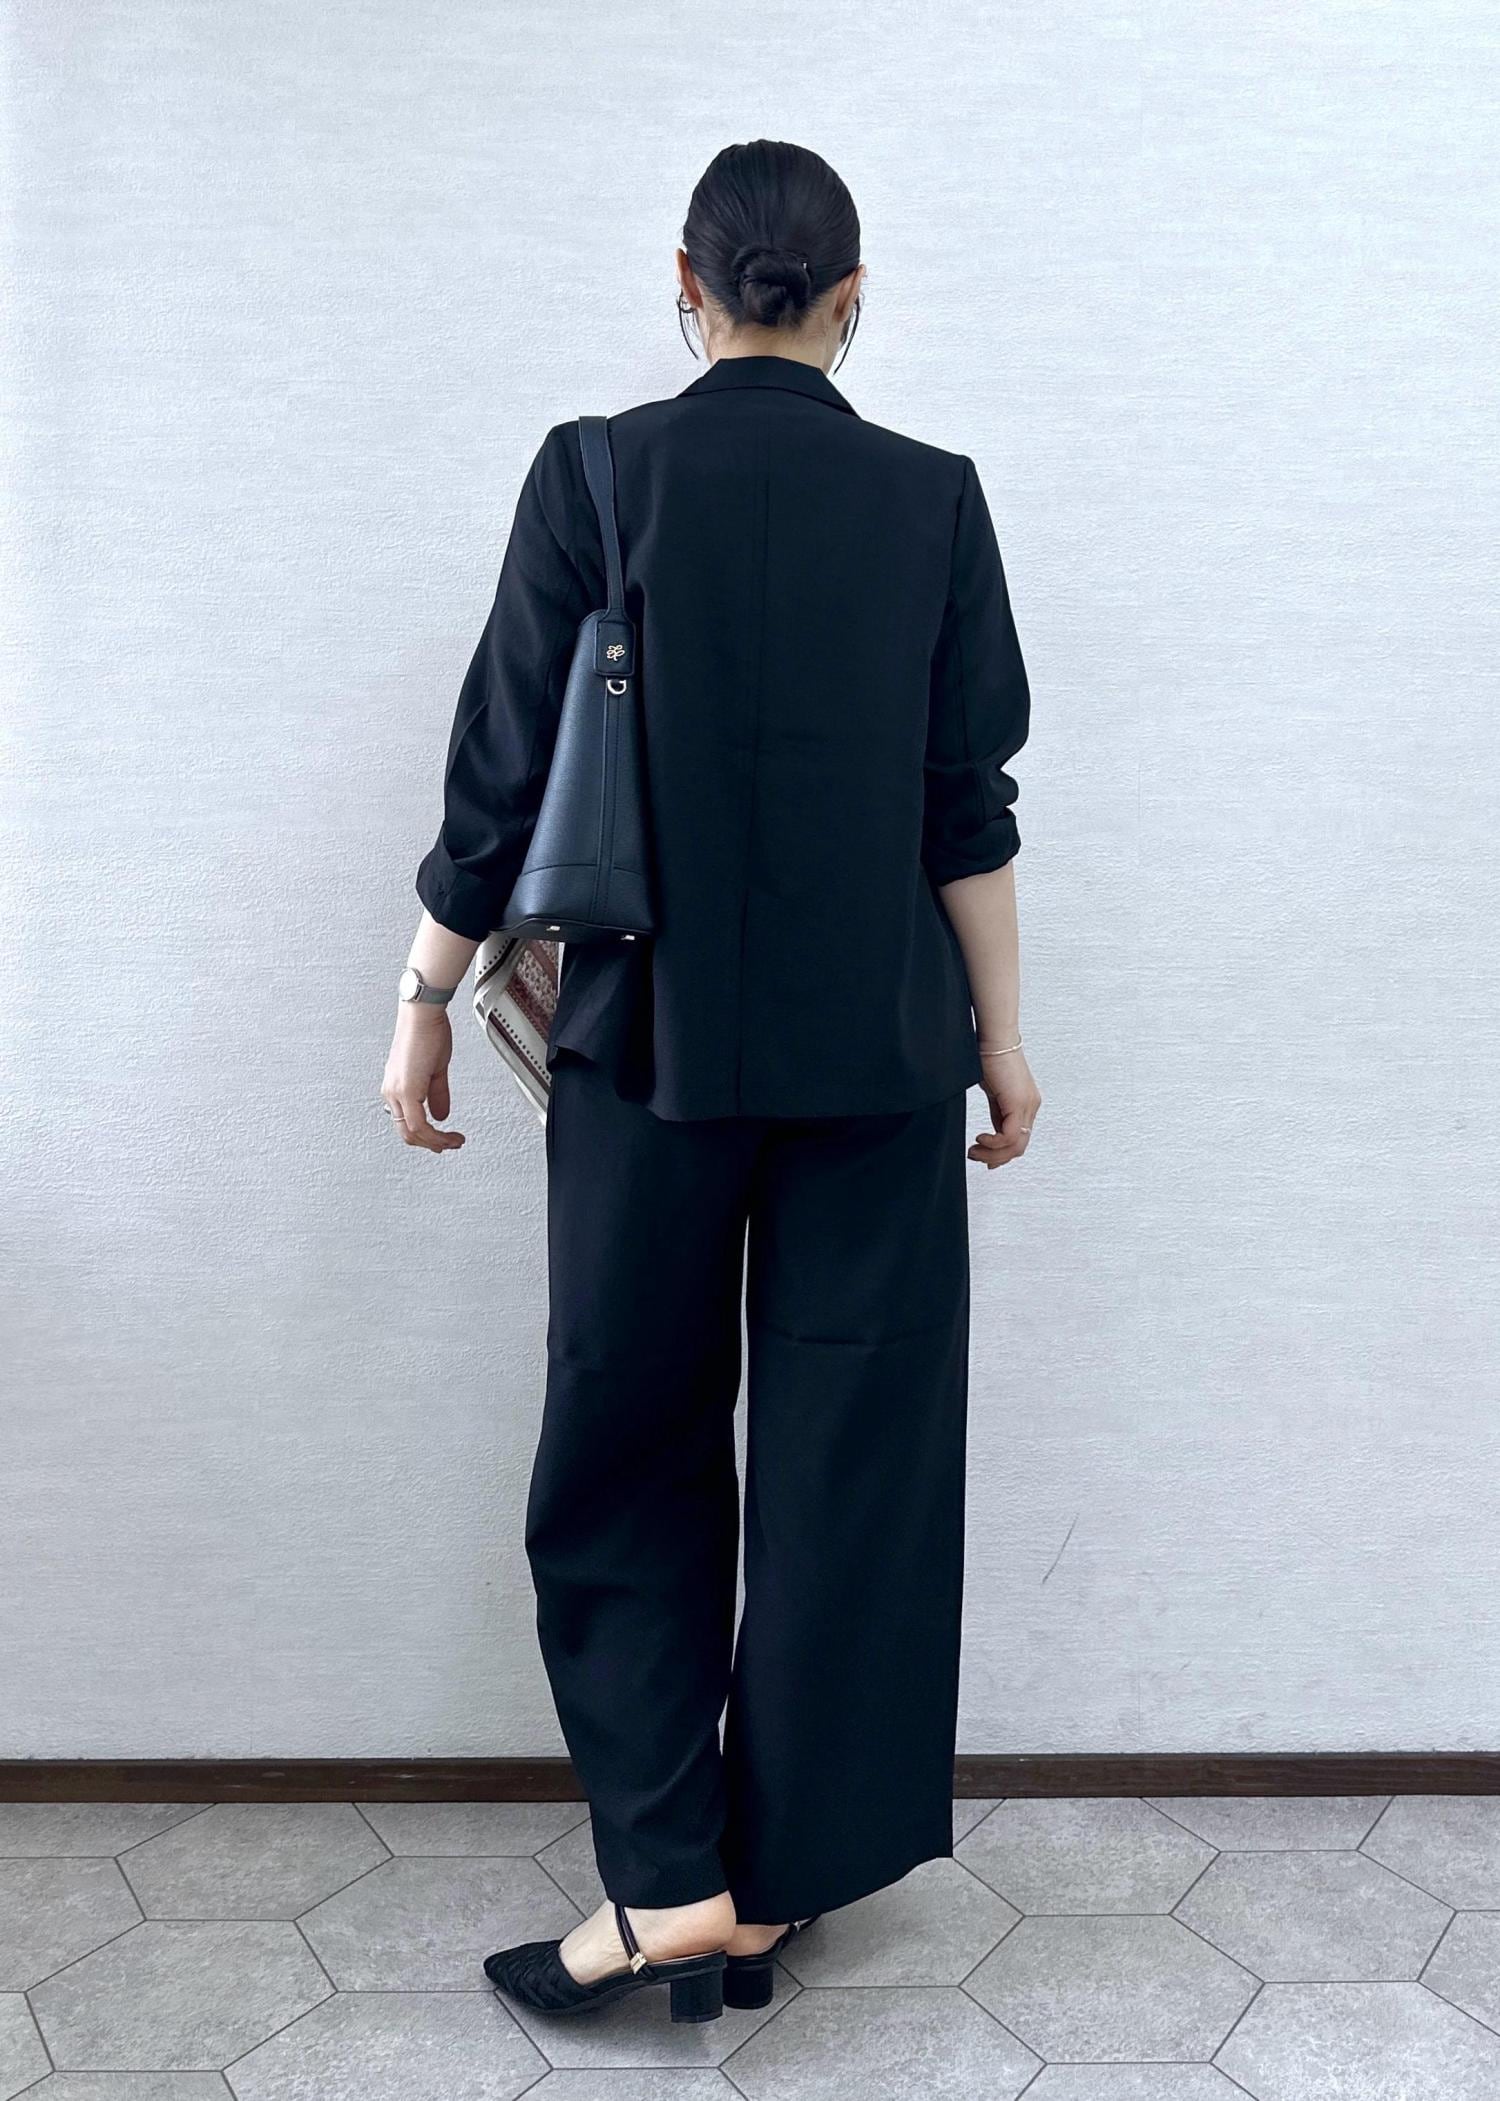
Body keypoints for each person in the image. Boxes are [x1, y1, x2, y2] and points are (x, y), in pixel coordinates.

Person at [380, 138, 1039, 2024]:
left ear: (686, 284)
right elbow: (966, 806)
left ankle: (670, 1878)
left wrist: (427, 989)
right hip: (878, 1056)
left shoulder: (594, 471)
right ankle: (775, 1878)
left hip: (644, 1045)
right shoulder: (933, 498)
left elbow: (503, 765)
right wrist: (1001, 1041)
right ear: (853, 296)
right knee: (854, 1463)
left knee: (625, 1439)